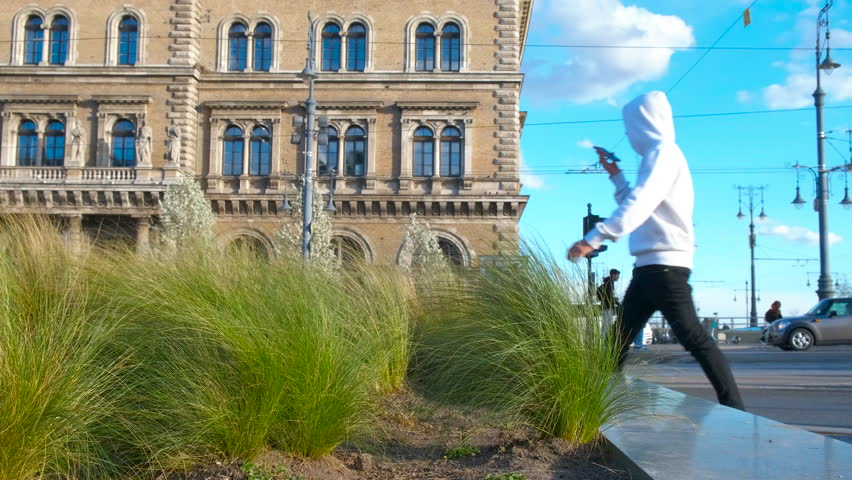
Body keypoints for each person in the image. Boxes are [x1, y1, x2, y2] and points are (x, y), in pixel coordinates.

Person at [568, 91, 744, 410]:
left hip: (664, 265)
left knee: (694, 338)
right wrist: (615, 174)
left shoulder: (663, 154)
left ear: (644, 123)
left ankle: (735, 407)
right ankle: (595, 402)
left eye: (630, 126)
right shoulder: (659, 156)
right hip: (649, 267)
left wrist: (595, 238)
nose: (629, 134)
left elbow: (640, 202)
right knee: (618, 340)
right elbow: (639, 204)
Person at [596, 269, 620, 336]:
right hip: (607, 308)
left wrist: (614, 299)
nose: (618, 277)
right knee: (606, 327)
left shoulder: (609, 283)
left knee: (605, 327)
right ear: (613, 275)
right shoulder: (609, 284)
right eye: (618, 275)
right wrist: (615, 300)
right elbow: (608, 296)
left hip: (606, 307)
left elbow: (607, 295)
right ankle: (603, 345)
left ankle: (603, 344)